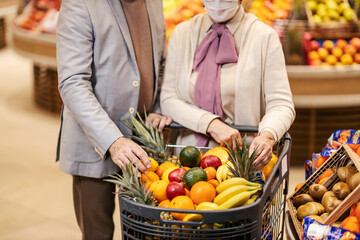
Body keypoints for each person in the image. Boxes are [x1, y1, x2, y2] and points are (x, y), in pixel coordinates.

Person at [55, 0, 171, 239]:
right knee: (98, 232)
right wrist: (113, 141)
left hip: (145, 139)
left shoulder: (154, 2)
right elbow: (73, 83)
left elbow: (160, 60)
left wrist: (158, 105)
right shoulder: (80, 4)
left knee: (146, 230)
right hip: (95, 143)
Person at [159, 0, 295, 169]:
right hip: (187, 160)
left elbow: (281, 104)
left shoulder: (264, 37)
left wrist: (267, 135)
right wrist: (211, 124)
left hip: (245, 163)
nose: (218, 2)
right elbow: (168, 98)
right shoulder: (182, 34)